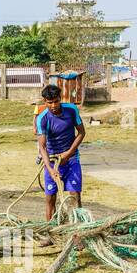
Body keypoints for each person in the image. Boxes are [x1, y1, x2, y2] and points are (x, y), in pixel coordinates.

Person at [36, 83, 86, 221]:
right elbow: (42, 147)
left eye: (56, 101)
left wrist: (68, 153)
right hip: (52, 162)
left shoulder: (71, 110)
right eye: (49, 102)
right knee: (50, 199)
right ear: (45, 102)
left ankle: (78, 231)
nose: (53, 106)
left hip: (71, 160)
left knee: (75, 196)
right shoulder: (42, 118)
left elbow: (81, 132)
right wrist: (50, 170)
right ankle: (50, 233)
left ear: (60, 98)